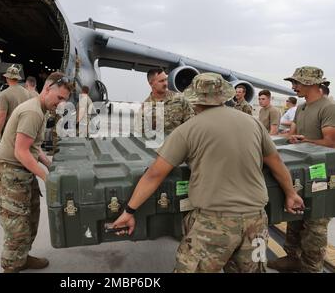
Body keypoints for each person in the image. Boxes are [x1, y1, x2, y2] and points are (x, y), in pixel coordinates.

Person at [112, 73, 304, 273]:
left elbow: (154, 175)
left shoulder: (187, 131)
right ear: (224, 96)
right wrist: (291, 194)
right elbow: (276, 163)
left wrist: (129, 211)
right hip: (256, 222)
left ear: (194, 100)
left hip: (214, 225)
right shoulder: (252, 123)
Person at [0, 72, 73, 273]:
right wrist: (47, 177)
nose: (60, 103)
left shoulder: (41, 110)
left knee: (31, 217)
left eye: (64, 100)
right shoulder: (33, 112)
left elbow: (33, 147)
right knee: (17, 225)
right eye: (59, 98)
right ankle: (11, 267)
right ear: (47, 89)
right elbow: (21, 151)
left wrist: (48, 164)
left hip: (22, 171)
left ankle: (22, 258)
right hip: (10, 172)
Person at [268, 66, 335, 273]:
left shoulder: (328, 108)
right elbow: (292, 135)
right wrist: (290, 138)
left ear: (312, 84)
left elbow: (331, 143)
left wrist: (305, 140)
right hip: (300, 172)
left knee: (315, 224)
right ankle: (292, 258)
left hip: (322, 174)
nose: (293, 87)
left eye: (297, 83)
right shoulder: (302, 108)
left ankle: (311, 267)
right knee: (295, 218)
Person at [140, 68, 194, 135]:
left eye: (166, 80)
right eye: (161, 81)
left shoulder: (180, 99)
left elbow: (192, 124)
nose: (165, 83)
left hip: (179, 143)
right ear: (151, 84)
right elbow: (142, 134)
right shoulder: (145, 107)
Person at [0, 66, 31, 139]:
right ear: (17, 78)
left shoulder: (4, 94)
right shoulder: (27, 93)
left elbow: (2, 116)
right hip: (24, 130)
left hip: (10, 131)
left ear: (7, 78)